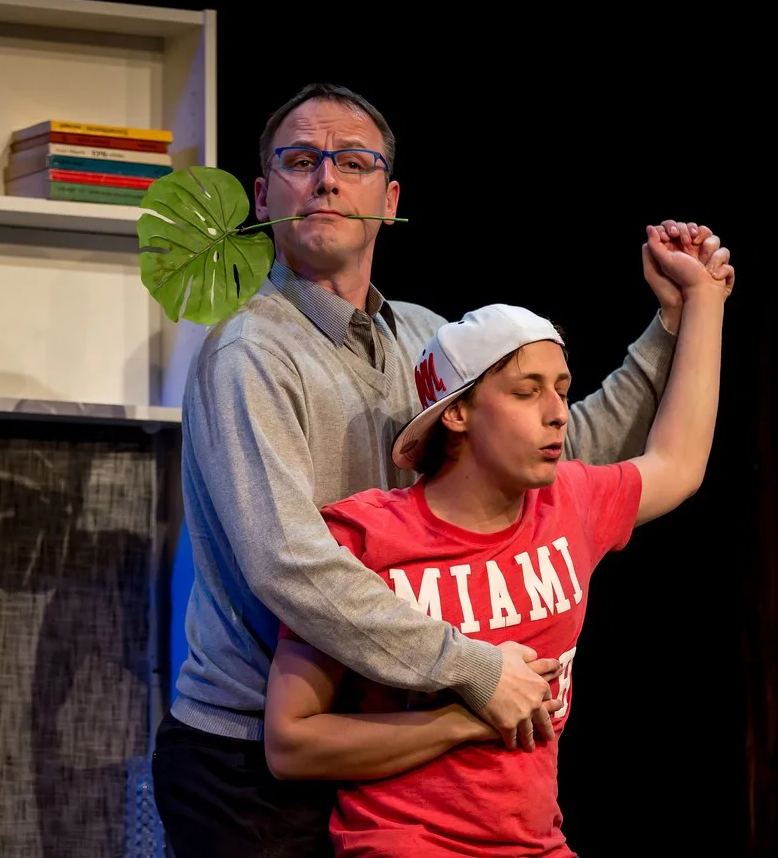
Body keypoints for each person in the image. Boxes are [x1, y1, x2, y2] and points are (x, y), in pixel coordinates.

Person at [150, 80, 734, 857]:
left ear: (389, 199)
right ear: (263, 196)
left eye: (353, 162)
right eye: (299, 160)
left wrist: (671, 325)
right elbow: (288, 561)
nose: (325, 179)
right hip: (252, 754)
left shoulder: (420, 336)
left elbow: (561, 451)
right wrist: (471, 668)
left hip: (379, 737)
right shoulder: (249, 353)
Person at [262, 224, 733, 856]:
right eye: (526, 391)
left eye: (561, 389)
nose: (557, 413)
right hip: (405, 843)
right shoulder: (366, 537)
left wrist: (703, 300)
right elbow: (291, 745)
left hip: (537, 843)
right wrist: (463, 719)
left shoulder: (569, 502)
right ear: (456, 412)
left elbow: (679, 463)